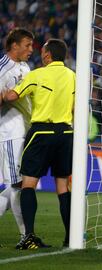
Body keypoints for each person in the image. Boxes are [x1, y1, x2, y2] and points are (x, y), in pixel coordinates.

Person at [0, 38, 75, 249]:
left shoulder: (37, 74)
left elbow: (13, 95)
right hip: (66, 133)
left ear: (48, 55)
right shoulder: (73, 76)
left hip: (41, 133)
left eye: (41, 51)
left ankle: (29, 236)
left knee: (28, 184)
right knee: (62, 186)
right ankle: (71, 237)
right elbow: (75, 108)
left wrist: (6, 93)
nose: (38, 54)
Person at [0, 28, 34, 248]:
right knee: (17, 184)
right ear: (14, 46)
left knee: (15, 185)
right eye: (27, 45)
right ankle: (26, 235)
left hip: (25, 129)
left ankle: (27, 235)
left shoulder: (25, 66)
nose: (31, 50)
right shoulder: (3, 68)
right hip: (10, 132)